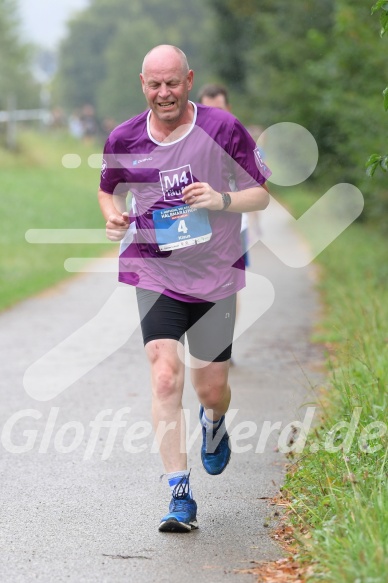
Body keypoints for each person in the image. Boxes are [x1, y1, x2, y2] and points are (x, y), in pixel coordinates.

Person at [97, 45, 269, 533]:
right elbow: (107, 186)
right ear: (142, 84)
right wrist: (111, 214)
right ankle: (179, 494)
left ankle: (214, 425)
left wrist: (222, 198)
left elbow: (261, 192)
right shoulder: (125, 136)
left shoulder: (221, 128)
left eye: (172, 83)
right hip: (156, 274)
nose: (163, 93)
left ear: (189, 80)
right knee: (166, 376)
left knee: (210, 390)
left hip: (215, 275)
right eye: (154, 84)